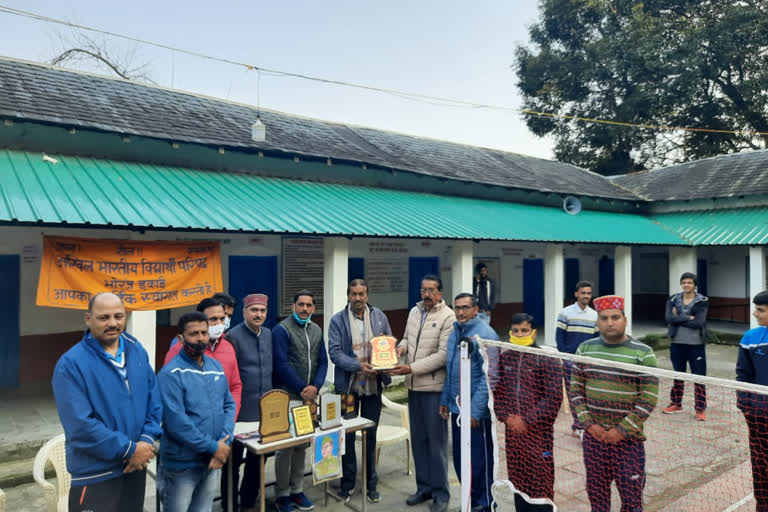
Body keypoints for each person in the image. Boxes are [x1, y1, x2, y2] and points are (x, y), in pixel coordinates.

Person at [52, 292, 162, 512]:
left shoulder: (136, 349)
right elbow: (80, 427)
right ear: (88, 319)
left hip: (134, 469)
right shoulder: (71, 364)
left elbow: (154, 399)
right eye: (104, 318)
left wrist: (146, 441)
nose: (113, 323)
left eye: (118, 316)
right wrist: (130, 449)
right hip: (96, 473)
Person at [571, 295, 658, 512]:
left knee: (631, 501)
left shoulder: (643, 353)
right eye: (604, 318)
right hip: (594, 440)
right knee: (597, 498)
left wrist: (622, 430)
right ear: (597, 321)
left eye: (615, 317)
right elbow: (575, 392)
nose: (610, 323)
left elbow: (648, 398)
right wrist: (589, 425)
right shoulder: (585, 349)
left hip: (629, 442)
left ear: (625, 320)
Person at [158, 311, 236, 512]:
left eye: (204, 332)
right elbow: (176, 422)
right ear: (181, 339)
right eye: (194, 334)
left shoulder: (215, 366)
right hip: (182, 465)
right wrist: (213, 447)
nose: (200, 338)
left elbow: (228, 404)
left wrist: (224, 442)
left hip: (211, 462)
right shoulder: (170, 374)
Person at [390, 274, 455, 512]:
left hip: (434, 389)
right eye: (423, 290)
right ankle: (424, 487)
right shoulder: (414, 312)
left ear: (440, 293)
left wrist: (412, 368)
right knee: (418, 441)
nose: (426, 294)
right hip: (413, 388)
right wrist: (399, 348)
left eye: (431, 290)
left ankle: (441, 493)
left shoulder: (449, 317)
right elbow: (408, 338)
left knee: (436, 444)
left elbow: (443, 355)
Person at [328, 279, 392, 503]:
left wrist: (384, 366)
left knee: (370, 434)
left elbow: (388, 346)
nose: (357, 298)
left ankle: (371, 483)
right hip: (348, 388)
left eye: (361, 294)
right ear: (348, 295)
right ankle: (347, 484)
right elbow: (334, 353)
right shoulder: (338, 320)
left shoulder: (379, 316)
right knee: (347, 434)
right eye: (353, 294)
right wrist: (358, 365)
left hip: (373, 385)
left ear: (367, 294)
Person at [493, 313, 562, 512]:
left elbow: (553, 397)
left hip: (538, 435)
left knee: (541, 481)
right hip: (513, 434)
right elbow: (498, 394)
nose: (519, 334)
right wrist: (506, 417)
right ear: (510, 332)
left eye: (524, 330)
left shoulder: (546, 359)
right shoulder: (505, 357)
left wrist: (528, 420)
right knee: (517, 480)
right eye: (515, 331)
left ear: (534, 332)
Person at [439, 293, 498, 512]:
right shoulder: (455, 331)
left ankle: (484, 504)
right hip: (457, 409)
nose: (461, 312)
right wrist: (445, 399)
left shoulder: (486, 334)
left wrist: (474, 410)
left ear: (476, 310)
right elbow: (451, 368)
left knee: (479, 463)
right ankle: (469, 501)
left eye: (466, 307)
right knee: (461, 461)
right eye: (457, 308)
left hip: (476, 415)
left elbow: (490, 377)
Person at [272, 290, 328, 512]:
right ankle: (282, 494)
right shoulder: (282, 330)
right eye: (301, 304)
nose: (305, 309)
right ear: (293, 306)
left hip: (309, 400)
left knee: (301, 446)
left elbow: (323, 361)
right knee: (285, 448)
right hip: (289, 397)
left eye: (309, 305)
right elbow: (281, 364)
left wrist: (316, 388)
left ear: (314, 308)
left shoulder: (316, 330)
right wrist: (302, 388)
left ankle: (297, 490)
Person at [221, 293, 274, 511]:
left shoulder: (269, 334)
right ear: (244, 312)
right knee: (231, 464)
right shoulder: (232, 336)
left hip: (263, 412)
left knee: (258, 460)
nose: (258, 314)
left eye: (262, 311)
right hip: (239, 412)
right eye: (254, 310)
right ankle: (230, 505)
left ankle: (249, 501)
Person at [164, 297, 242, 418]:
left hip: (223, 426)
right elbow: (170, 396)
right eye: (213, 319)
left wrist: (230, 420)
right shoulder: (179, 349)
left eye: (222, 318)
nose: (219, 324)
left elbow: (235, 386)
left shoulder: (229, 348)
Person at [736, 290, 768, 512]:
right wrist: (746, 407)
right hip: (759, 417)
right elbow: (742, 375)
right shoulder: (750, 338)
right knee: (761, 469)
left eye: (761, 310)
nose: (755, 313)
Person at [663, 272, 709, 421]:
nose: (686, 285)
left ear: (694, 285)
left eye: (689, 282)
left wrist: (678, 318)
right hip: (677, 343)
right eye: (684, 282)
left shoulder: (702, 300)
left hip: (696, 345)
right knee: (678, 374)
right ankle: (676, 403)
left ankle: (700, 408)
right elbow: (669, 318)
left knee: (699, 377)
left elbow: (699, 322)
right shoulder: (673, 299)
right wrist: (688, 317)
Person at [556, 280, 598, 436]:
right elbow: (559, 338)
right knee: (574, 394)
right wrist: (566, 356)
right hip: (570, 361)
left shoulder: (594, 315)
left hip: (588, 362)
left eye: (588, 293)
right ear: (576, 294)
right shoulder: (565, 313)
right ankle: (579, 426)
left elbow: (596, 339)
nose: (586, 296)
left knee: (587, 394)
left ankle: (584, 424)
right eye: (583, 293)